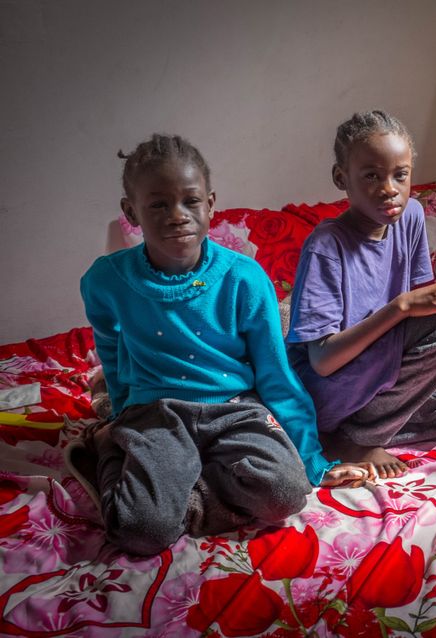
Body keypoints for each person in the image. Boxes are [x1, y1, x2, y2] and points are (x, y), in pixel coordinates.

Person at [70, 134, 373, 557]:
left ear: (211, 204)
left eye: (190, 201)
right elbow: (112, 349)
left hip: (233, 408)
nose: (177, 216)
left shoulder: (244, 278)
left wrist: (313, 461)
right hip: (156, 411)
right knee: (140, 531)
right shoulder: (107, 280)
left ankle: (175, 493)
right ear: (131, 212)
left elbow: (275, 372)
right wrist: (121, 412)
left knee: (287, 493)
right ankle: (111, 453)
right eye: (158, 204)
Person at [286, 111, 436, 479]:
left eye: (401, 175)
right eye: (371, 176)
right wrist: (400, 308)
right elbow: (322, 361)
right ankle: (358, 438)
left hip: (385, 375)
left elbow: (419, 315)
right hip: (328, 391)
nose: (389, 189)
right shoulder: (326, 246)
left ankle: (353, 434)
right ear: (341, 178)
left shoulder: (411, 216)